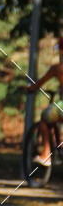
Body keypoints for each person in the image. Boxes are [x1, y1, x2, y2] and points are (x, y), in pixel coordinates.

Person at [26, 38, 63, 166]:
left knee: (44, 119)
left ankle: (46, 154)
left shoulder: (57, 68)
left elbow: (37, 85)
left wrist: (30, 88)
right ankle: (59, 149)